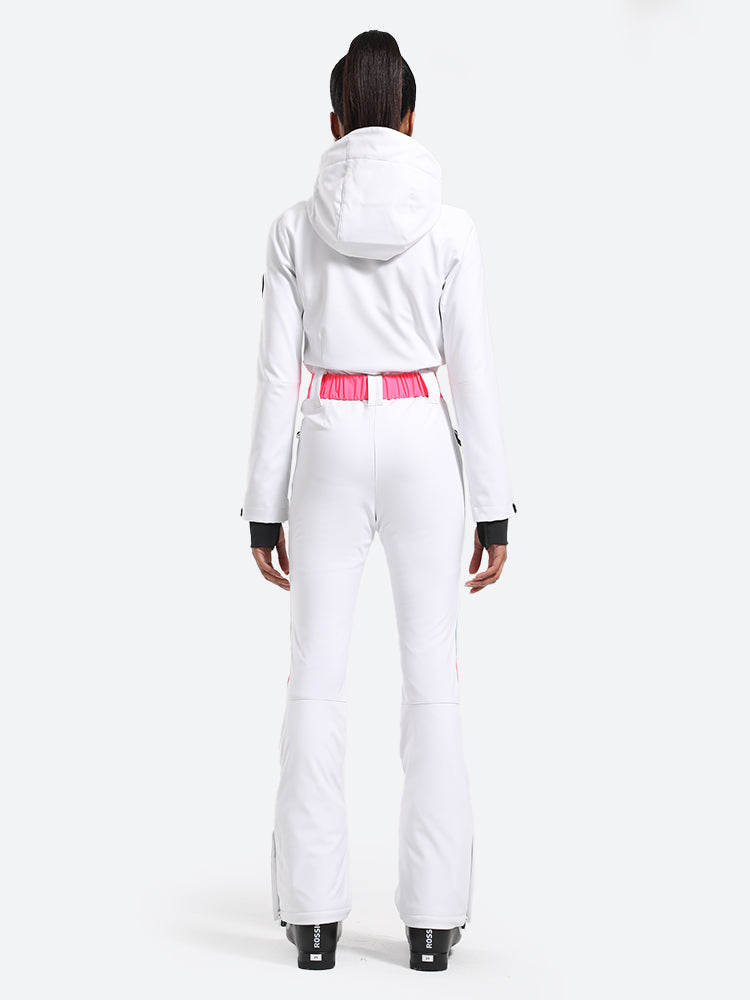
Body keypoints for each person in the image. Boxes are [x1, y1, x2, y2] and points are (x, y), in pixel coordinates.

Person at [240, 30, 517, 972]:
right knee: (431, 675)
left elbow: (276, 376)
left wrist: (263, 506)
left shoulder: (292, 228)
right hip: (421, 441)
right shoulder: (452, 230)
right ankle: (432, 925)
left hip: (324, 437)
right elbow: (473, 373)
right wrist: (493, 505)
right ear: (408, 119)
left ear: (334, 124)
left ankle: (314, 920)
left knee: (315, 675)